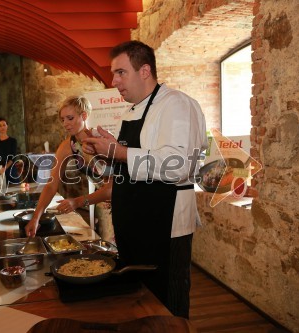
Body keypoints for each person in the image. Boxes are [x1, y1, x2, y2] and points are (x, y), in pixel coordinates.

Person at [82, 40, 208, 318]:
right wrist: (107, 153)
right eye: (113, 74)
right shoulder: (131, 110)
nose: (114, 81)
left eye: (120, 72)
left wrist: (118, 151)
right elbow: (132, 163)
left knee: (167, 301)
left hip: (165, 222)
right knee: (138, 299)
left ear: (145, 71)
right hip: (136, 221)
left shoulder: (176, 105)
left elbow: (176, 166)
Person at [25, 96, 113, 237]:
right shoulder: (68, 145)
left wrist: (77, 201)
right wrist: (36, 217)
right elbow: (51, 184)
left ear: (84, 115)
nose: (65, 123)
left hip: (124, 199)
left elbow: (112, 188)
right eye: (63, 119)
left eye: (70, 118)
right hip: (101, 203)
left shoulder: (102, 140)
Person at [0, 117, 20, 184]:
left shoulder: (13, 141)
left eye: (4, 125)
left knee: (15, 191)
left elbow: (13, 157)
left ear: (7, 126)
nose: (2, 127)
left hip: (10, 169)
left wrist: (5, 168)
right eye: (0, 126)